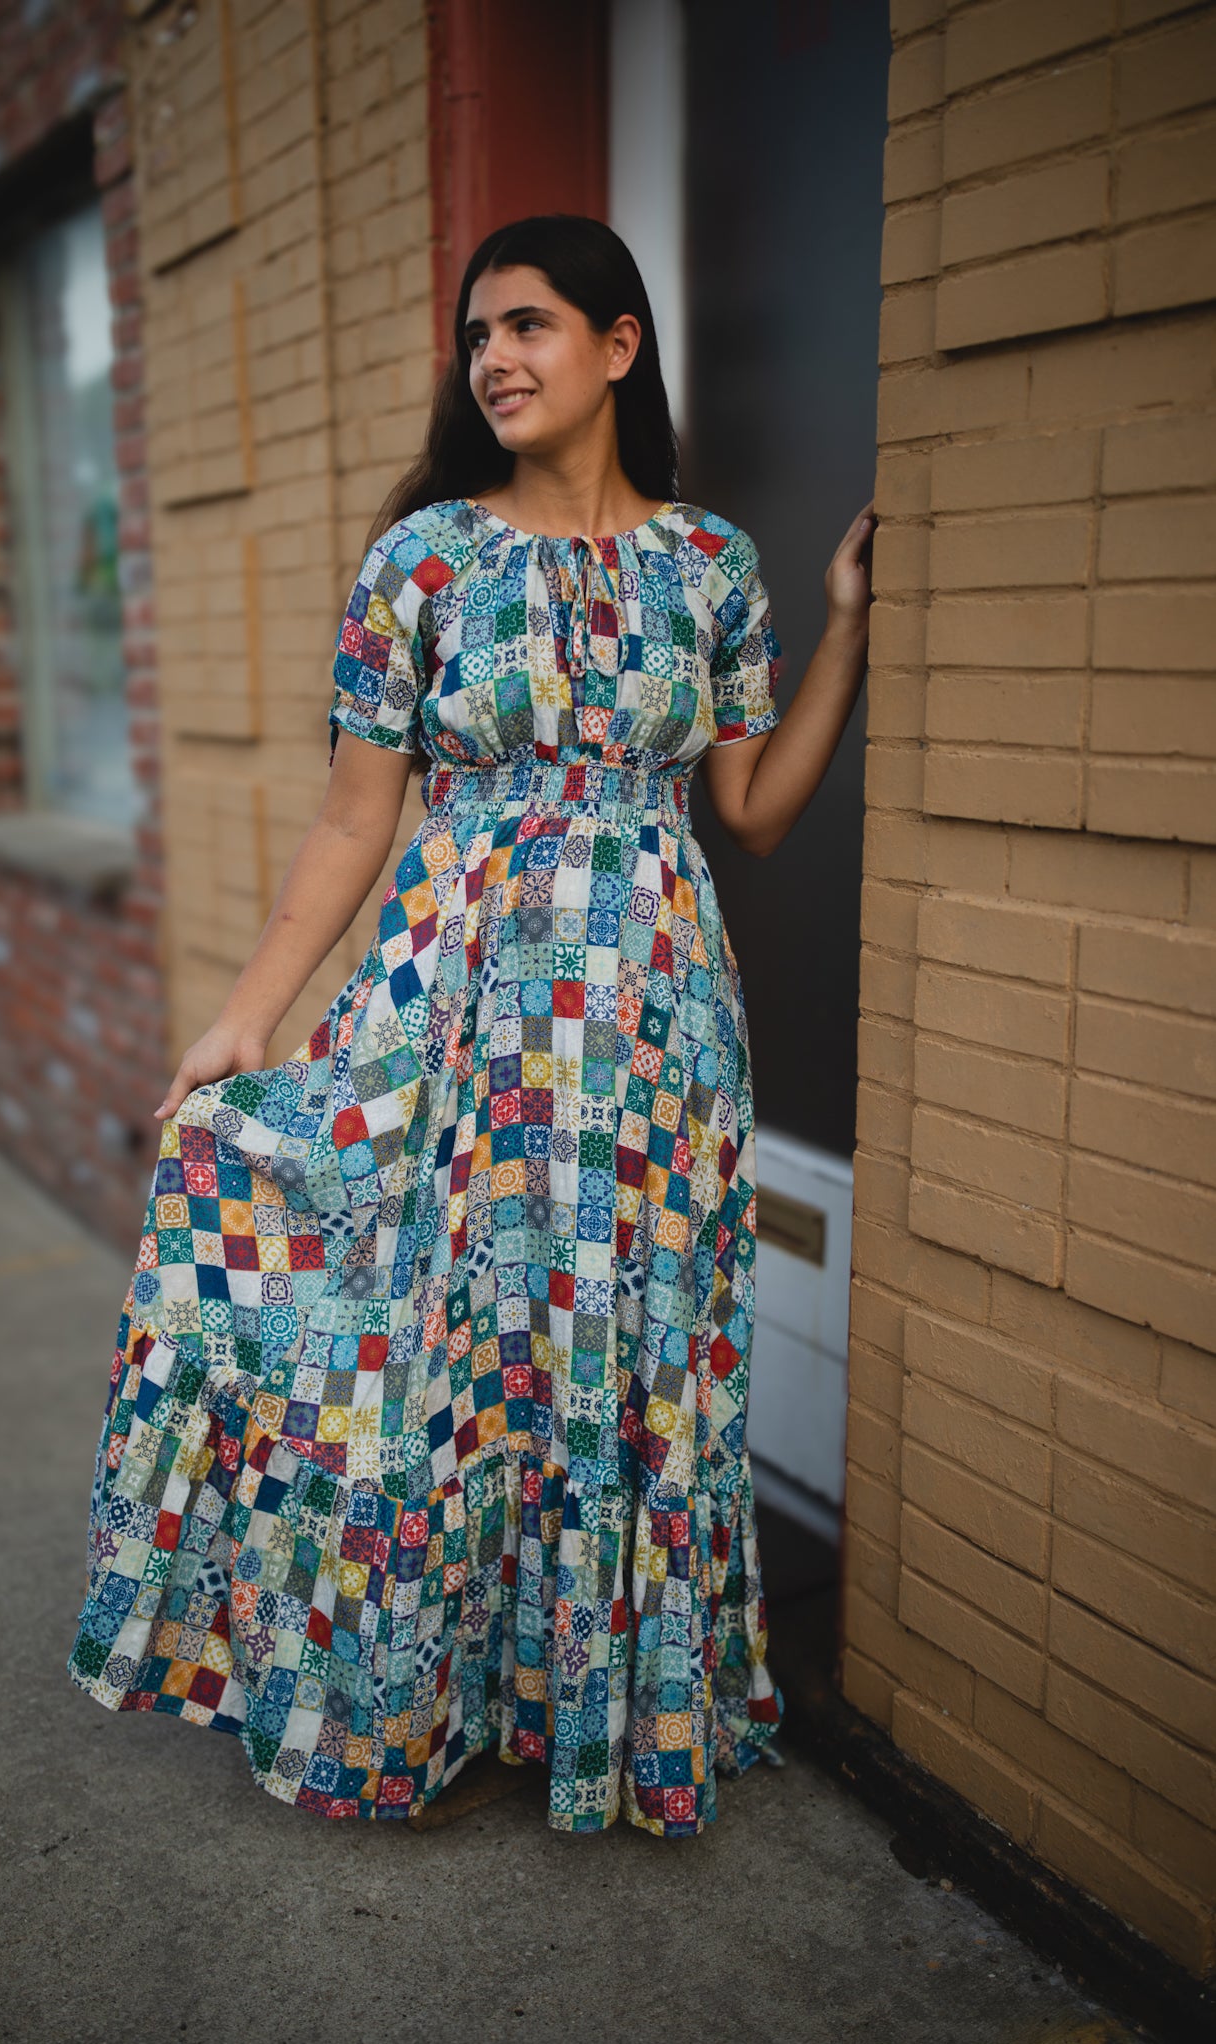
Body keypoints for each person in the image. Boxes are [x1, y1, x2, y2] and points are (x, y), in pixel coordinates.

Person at [67, 213, 874, 1837]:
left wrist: (848, 624)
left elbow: (757, 810)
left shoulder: (711, 567)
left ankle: (595, 1710)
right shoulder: (421, 561)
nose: (493, 359)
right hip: (456, 1015)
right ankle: (413, 1693)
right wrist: (246, 1018)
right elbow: (354, 823)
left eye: (527, 326)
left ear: (618, 346)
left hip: (654, 1031)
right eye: (477, 337)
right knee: (437, 1345)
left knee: (628, 1352)